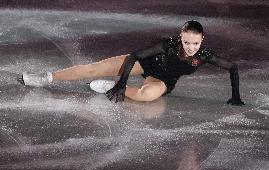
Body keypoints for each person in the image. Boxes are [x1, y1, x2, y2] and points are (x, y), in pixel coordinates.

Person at [20, 20, 245, 105]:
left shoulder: (204, 55)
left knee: (147, 96)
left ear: (201, 40)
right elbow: (134, 56)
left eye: (194, 43)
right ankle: (46, 77)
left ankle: (114, 88)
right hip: (145, 64)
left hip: (164, 78)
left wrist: (235, 96)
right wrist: (121, 80)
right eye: (187, 42)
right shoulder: (168, 44)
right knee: (94, 68)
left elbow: (232, 67)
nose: (190, 47)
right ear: (181, 37)